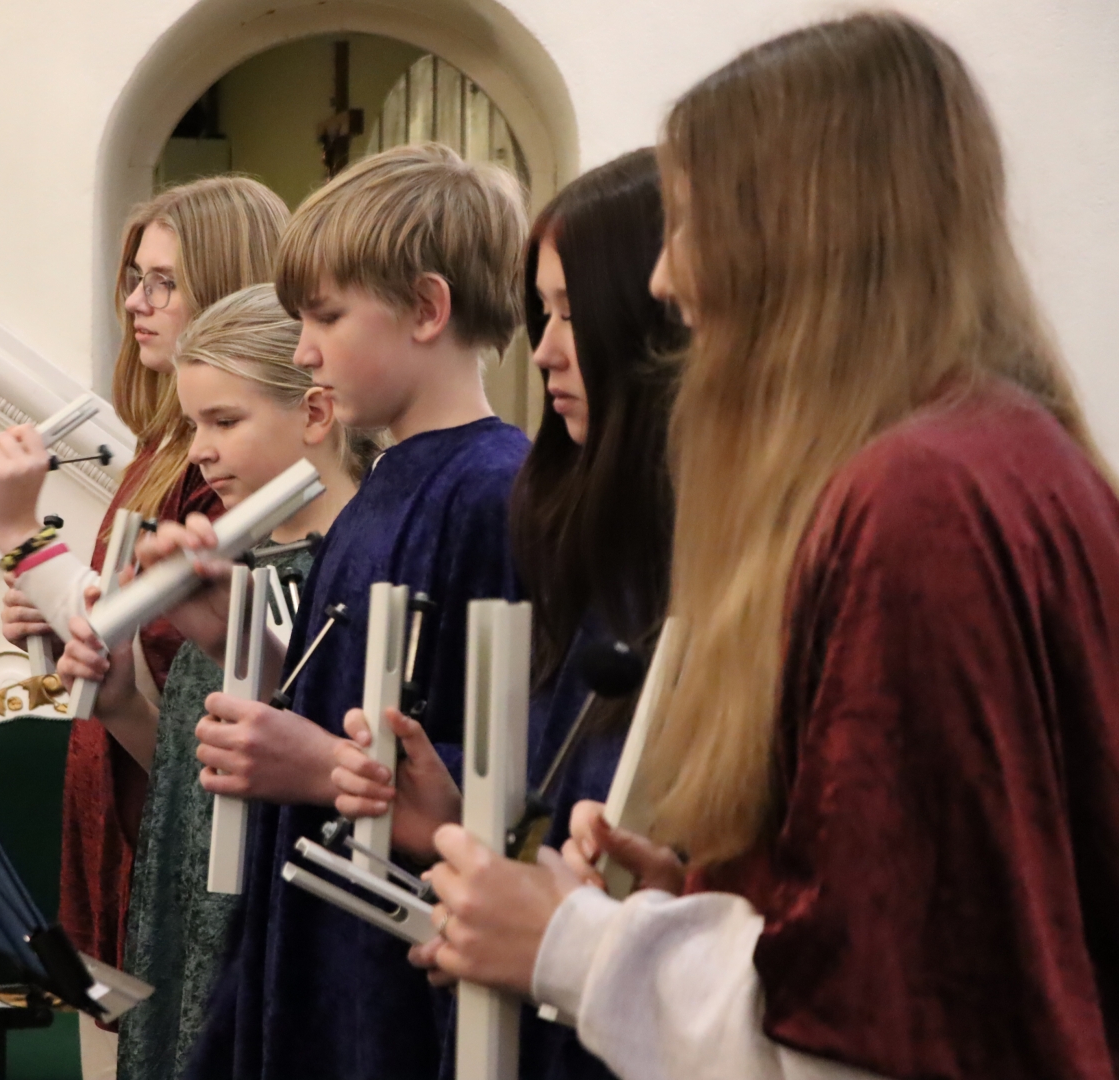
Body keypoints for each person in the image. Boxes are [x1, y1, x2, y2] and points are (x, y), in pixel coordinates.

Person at [408, 13, 1119, 1080]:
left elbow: (879, 1031)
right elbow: (948, 919)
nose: (664, 280)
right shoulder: (1015, 449)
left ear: (796, 233)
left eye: (693, 223)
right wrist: (713, 906)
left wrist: (577, 947)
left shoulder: (912, 504)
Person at [176, 143, 530, 1080]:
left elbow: (506, 765)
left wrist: (325, 768)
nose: (304, 350)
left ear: (426, 308)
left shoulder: (495, 492)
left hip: (400, 986)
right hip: (316, 947)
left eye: (325, 316)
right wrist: (239, 637)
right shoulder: (383, 486)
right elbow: (354, 686)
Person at [329, 149, 681, 1079]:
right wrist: (457, 818)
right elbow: (543, 796)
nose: (545, 349)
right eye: (543, 313)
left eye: (572, 313)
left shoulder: (503, 495)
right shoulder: (595, 542)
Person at [0, 177, 287, 1073]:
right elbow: (116, 641)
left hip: (175, 821)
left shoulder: (224, 475)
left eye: (164, 282)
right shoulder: (162, 448)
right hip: (118, 806)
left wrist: (22, 537)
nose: (137, 303)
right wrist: (47, 619)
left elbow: (163, 660)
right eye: (133, 279)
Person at [49, 284, 374, 1080]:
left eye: (224, 421)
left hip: (277, 932)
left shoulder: (355, 573)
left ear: (316, 412)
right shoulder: (232, 567)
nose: (197, 450)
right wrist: (121, 699)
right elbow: (193, 781)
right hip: (185, 914)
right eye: (194, 424)